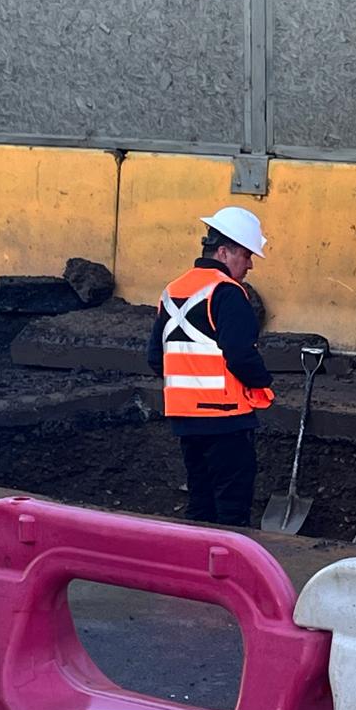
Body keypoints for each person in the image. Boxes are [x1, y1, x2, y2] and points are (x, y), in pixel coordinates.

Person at [146, 206, 274, 527]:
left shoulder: (172, 291)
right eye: (246, 255)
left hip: (186, 422)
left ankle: (193, 574)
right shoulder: (228, 293)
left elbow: (154, 358)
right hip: (227, 420)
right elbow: (241, 356)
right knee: (231, 513)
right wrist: (264, 381)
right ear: (223, 251)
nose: (249, 265)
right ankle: (229, 574)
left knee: (200, 505)